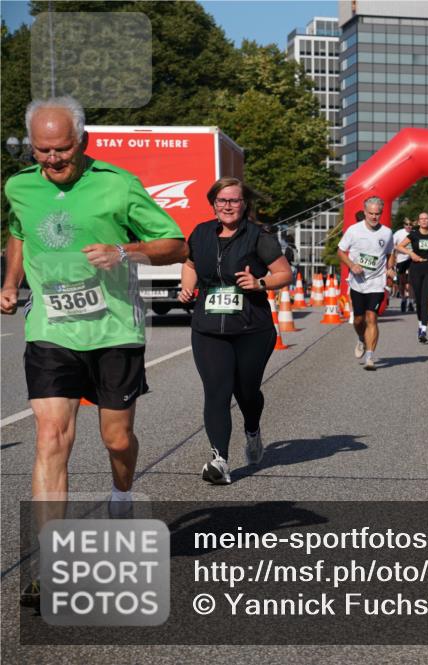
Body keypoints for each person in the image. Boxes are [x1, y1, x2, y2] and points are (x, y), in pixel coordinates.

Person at [1, 97, 186, 604]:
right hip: (52, 330)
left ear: (82, 142)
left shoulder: (117, 184)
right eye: (42, 151)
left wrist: (124, 251)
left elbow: (176, 243)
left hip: (113, 331)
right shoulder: (19, 185)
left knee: (116, 439)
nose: (52, 161)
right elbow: (18, 230)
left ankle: (121, 493)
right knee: (50, 436)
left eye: (61, 150)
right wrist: (12, 280)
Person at [178, 177, 293, 483]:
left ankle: (252, 428)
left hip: (251, 328)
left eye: (234, 200)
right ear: (213, 203)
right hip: (208, 328)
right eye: (222, 200)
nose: (228, 206)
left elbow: (284, 273)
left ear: (244, 205)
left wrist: (260, 283)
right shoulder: (201, 233)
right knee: (217, 390)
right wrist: (187, 289)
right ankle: (220, 460)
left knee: (246, 391)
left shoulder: (258, 236)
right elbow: (190, 265)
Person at [338, 197, 396, 369]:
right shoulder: (353, 231)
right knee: (358, 319)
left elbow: (390, 252)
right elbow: (340, 252)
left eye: (377, 214)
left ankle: (370, 357)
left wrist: (390, 268)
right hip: (357, 282)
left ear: (381, 213)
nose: (373, 217)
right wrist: (352, 265)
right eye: (370, 213)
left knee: (372, 317)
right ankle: (361, 338)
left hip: (377, 282)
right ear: (364, 212)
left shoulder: (386, 233)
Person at [395, 211, 428, 343]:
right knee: (419, 299)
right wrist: (411, 253)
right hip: (415, 268)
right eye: (422, 219)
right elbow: (399, 246)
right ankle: (420, 324)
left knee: (426, 298)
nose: (425, 221)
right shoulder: (414, 234)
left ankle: (424, 330)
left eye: (427, 219)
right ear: (419, 221)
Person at [393, 219, 414, 312]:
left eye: (410, 224)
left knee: (411, 281)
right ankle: (403, 299)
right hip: (401, 260)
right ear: (404, 225)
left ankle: (411, 301)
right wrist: (398, 251)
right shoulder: (398, 233)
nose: (409, 226)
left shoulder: (415, 233)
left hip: (411, 260)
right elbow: (392, 245)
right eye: (407, 224)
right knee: (402, 282)